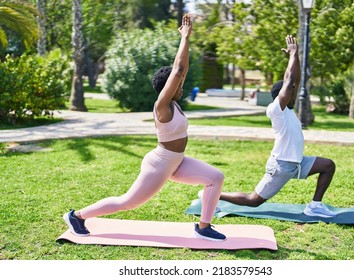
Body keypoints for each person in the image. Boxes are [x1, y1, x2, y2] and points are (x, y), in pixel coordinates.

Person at [63, 15, 226, 241]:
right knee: (128, 202)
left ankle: (203, 227)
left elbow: (182, 69)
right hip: (160, 163)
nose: (182, 86)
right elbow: (178, 70)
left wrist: (186, 41)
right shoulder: (162, 106)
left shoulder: (174, 103)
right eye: (178, 85)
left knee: (215, 177)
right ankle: (77, 216)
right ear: (168, 88)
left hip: (177, 161)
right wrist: (185, 37)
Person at [210, 35, 337, 218]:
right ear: (284, 95)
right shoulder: (276, 110)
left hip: (297, 162)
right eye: (291, 91)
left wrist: (296, 56)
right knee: (253, 200)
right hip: (281, 166)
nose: (295, 91)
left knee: (328, 165)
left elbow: (295, 79)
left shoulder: (289, 110)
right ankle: (213, 195)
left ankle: (314, 206)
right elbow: (289, 79)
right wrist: (292, 55)